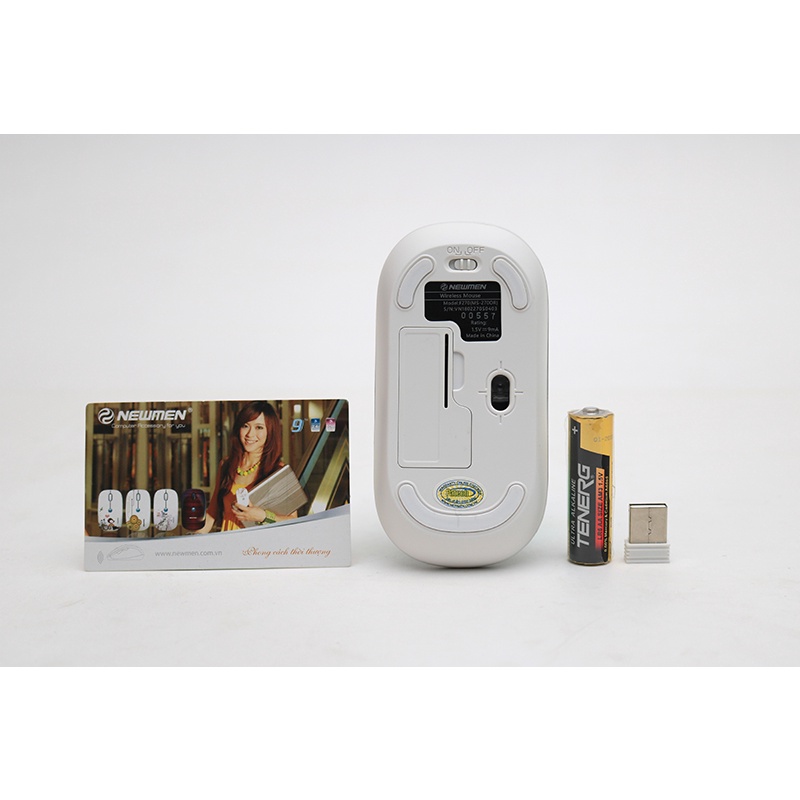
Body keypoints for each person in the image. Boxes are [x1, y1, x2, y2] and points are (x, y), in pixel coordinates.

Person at [198, 401, 297, 532]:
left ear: (270, 431)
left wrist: (262, 516)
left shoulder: (278, 471)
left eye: (259, 427)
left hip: (258, 543)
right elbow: (212, 513)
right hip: (228, 541)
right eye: (245, 426)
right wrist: (194, 535)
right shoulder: (226, 465)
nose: (250, 434)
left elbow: (293, 521)